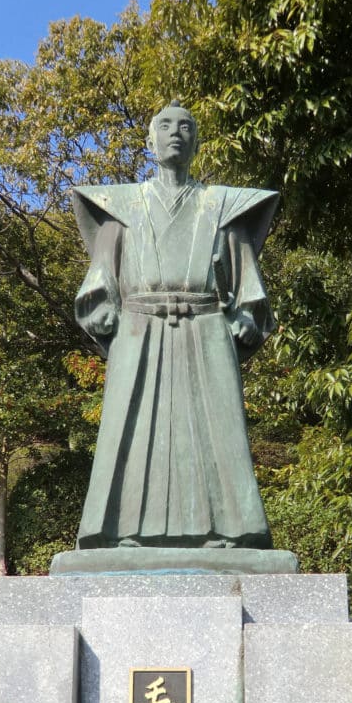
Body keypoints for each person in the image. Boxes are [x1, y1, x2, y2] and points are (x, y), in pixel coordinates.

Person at [72, 101, 279, 549]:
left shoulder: (220, 207)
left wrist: (246, 315)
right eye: (165, 125)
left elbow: (247, 282)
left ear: (196, 142)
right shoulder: (122, 209)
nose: (175, 132)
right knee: (135, 427)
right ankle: (123, 531)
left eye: (186, 126)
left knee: (212, 430)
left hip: (205, 327)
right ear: (150, 141)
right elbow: (102, 273)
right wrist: (103, 305)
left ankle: (226, 531)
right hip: (138, 327)